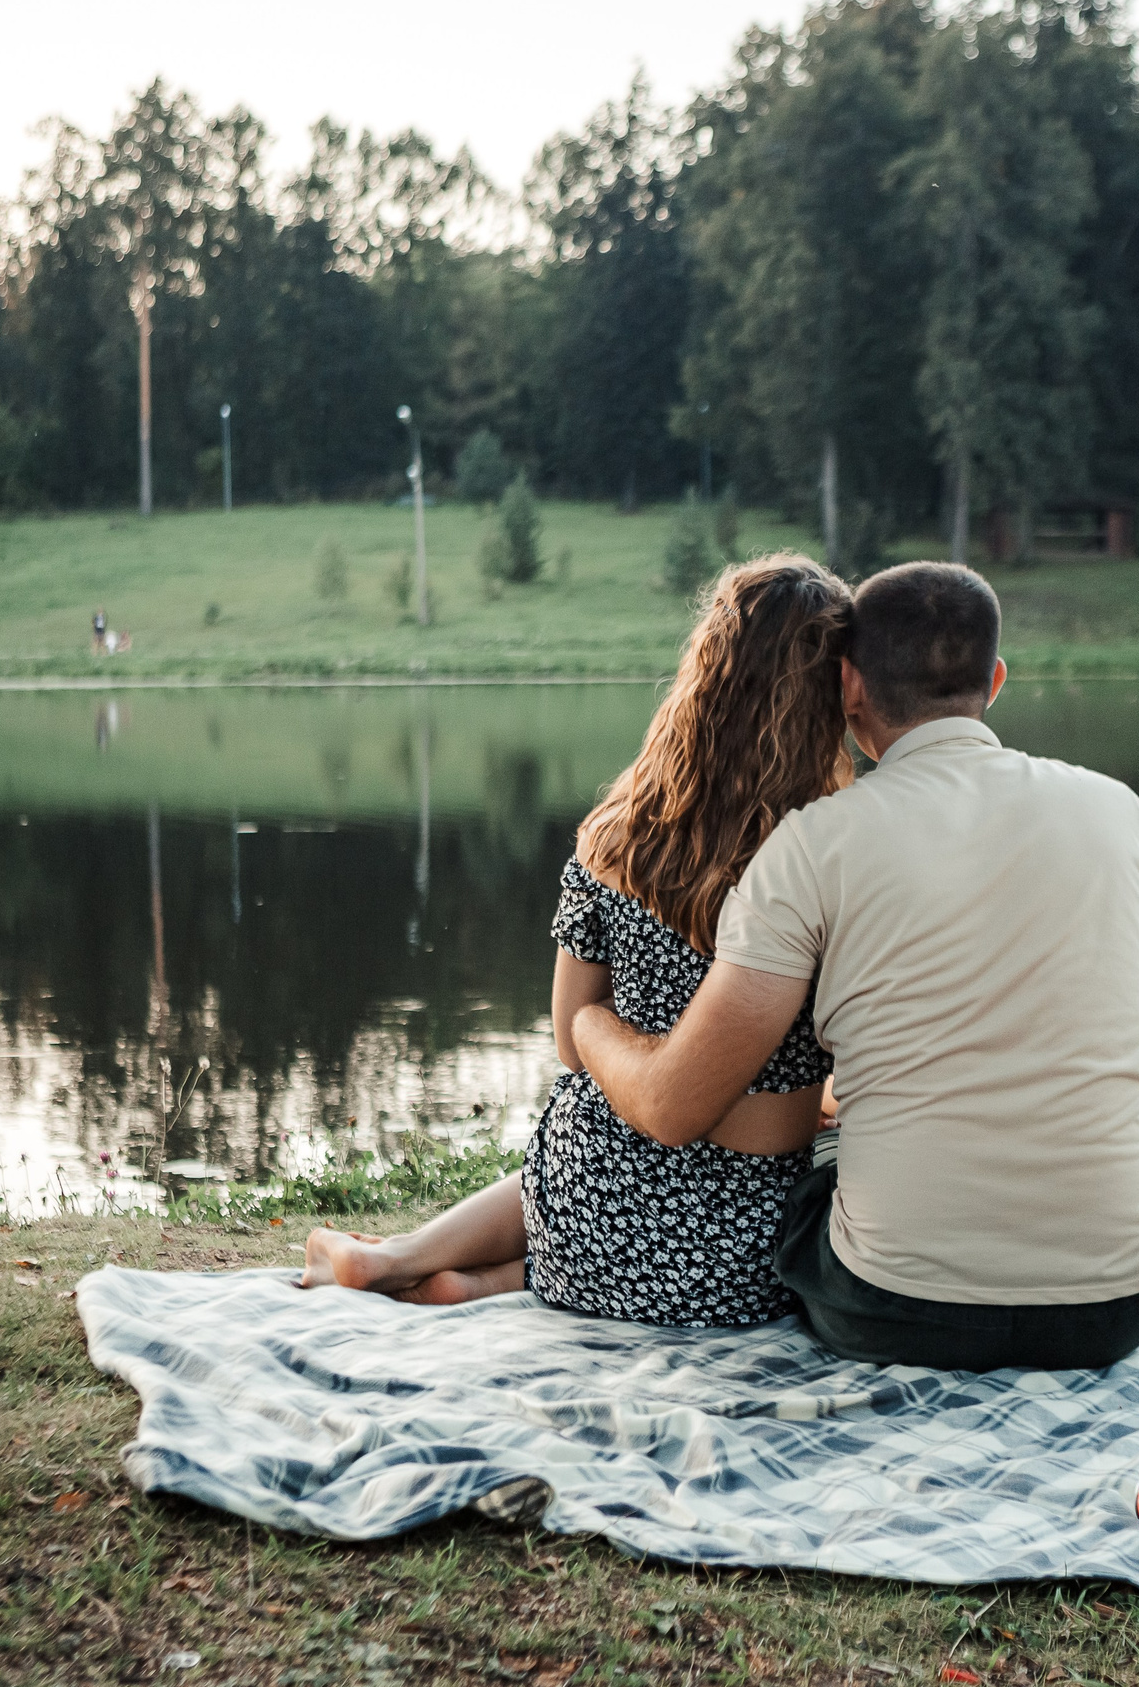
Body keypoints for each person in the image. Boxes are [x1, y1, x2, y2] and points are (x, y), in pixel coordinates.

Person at [572, 561, 1139, 1371]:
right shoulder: (1115, 808)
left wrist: (591, 1024)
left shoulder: (811, 846)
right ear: (994, 679)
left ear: (849, 687)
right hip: (1122, 1305)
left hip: (890, 1309)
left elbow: (676, 1106)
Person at [299, 554, 854, 1322]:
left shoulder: (616, 834)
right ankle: (465, 1278)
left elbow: (569, 1038)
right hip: (738, 1255)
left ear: (707, 671)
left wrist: (608, 1030)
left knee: (588, 1120)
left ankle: (416, 1262)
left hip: (589, 1209)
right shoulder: (826, 850)